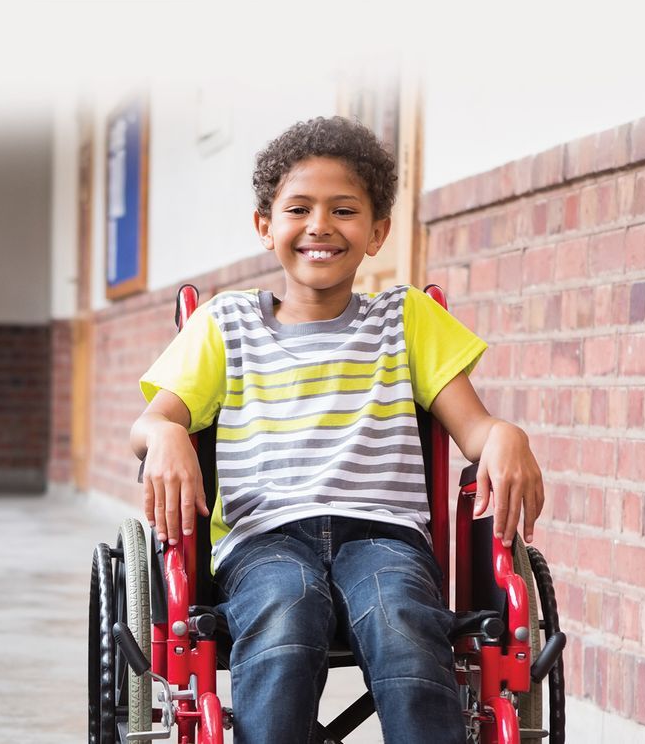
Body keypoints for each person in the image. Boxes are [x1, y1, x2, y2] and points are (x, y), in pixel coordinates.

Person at [128, 116, 545, 744]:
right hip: (263, 538)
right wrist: (164, 435)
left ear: (377, 232)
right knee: (287, 607)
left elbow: (476, 429)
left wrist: (508, 435)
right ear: (265, 227)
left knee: (402, 616)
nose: (321, 225)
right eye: (299, 208)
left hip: (386, 537)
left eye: (344, 210)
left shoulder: (405, 321)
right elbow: (154, 420)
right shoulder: (225, 325)